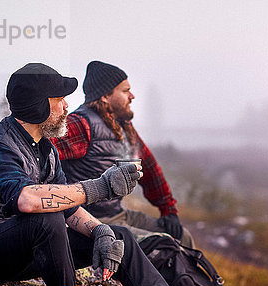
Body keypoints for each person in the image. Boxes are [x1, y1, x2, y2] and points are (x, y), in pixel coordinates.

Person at [0, 63, 237, 286]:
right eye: (59, 99)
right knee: (45, 217)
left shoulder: (45, 149)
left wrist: (100, 230)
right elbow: (28, 200)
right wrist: (100, 187)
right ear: (38, 106)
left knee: (120, 235)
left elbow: (68, 208)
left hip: (23, 252)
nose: (66, 105)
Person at [50, 60, 194, 247]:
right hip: (93, 221)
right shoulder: (81, 125)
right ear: (106, 96)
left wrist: (169, 211)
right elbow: (40, 152)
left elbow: (149, 169)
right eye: (125, 91)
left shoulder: (125, 128)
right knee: (164, 245)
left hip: (118, 213)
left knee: (183, 237)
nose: (132, 96)